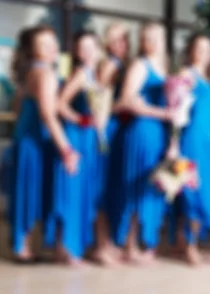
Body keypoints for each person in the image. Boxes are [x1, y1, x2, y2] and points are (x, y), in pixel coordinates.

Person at [7, 26, 80, 264]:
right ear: (33, 50)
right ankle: (24, 247)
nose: (52, 48)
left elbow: (18, 108)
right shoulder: (45, 73)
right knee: (31, 190)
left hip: (25, 138)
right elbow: (48, 114)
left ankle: (23, 244)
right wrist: (67, 149)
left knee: (26, 191)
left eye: (53, 42)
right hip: (36, 142)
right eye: (44, 44)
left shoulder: (29, 72)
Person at [108, 22, 172, 265]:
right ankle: (129, 245)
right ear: (142, 41)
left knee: (150, 187)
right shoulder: (139, 65)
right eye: (147, 38)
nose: (152, 43)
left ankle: (144, 241)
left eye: (157, 38)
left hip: (157, 133)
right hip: (141, 131)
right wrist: (164, 114)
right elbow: (126, 100)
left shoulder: (163, 67)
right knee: (135, 187)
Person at [169, 33, 210, 266]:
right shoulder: (187, 74)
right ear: (191, 51)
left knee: (205, 189)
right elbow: (177, 110)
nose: (204, 53)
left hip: (206, 141)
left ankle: (187, 240)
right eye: (199, 48)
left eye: (208, 49)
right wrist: (174, 143)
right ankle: (190, 245)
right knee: (192, 192)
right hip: (191, 140)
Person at [55, 31, 106, 264]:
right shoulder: (80, 73)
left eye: (89, 47)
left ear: (98, 49)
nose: (85, 52)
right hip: (76, 136)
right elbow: (59, 103)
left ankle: (73, 246)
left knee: (84, 191)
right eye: (81, 48)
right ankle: (66, 248)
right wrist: (80, 120)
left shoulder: (93, 75)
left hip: (88, 139)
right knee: (73, 191)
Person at [95, 22, 131, 265]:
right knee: (102, 188)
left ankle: (107, 242)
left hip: (117, 129)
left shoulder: (120, 65)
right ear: (107, 42)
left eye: (124, 40)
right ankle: (101, 244)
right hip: (107, 129)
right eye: (116, 40)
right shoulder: (110, 64)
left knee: (110, 188)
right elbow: (100, 100)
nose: (121, 45)